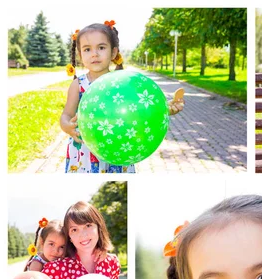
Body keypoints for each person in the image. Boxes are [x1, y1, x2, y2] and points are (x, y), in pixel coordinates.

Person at [60, 21, 184, 174]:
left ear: (113, 52)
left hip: (119, 147)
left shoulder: (125, 84)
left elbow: (140, 109)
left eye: (101, 47)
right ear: (80, 55)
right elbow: (66, 114)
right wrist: (67, 126)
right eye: (87, 49)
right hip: (86, 150)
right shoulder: (78, 85)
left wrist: (166, 109)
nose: (94, 53)